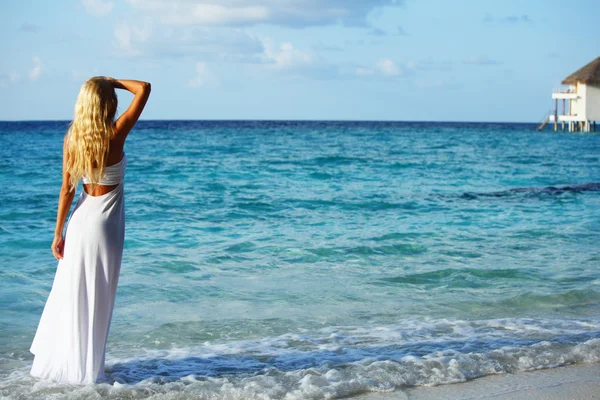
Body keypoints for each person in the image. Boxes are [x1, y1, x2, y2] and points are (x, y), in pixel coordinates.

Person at [29, 76, 151, 384]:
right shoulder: (116, 132)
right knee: (98, 297)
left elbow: (66, 190)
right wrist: (112, 81)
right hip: (105, 224)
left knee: (72, 295)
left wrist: (58, 234)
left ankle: (72, 368)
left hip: (80, 221)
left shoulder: (73, 138)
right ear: (108, 103)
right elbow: (144, 88)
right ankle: (88, 371)